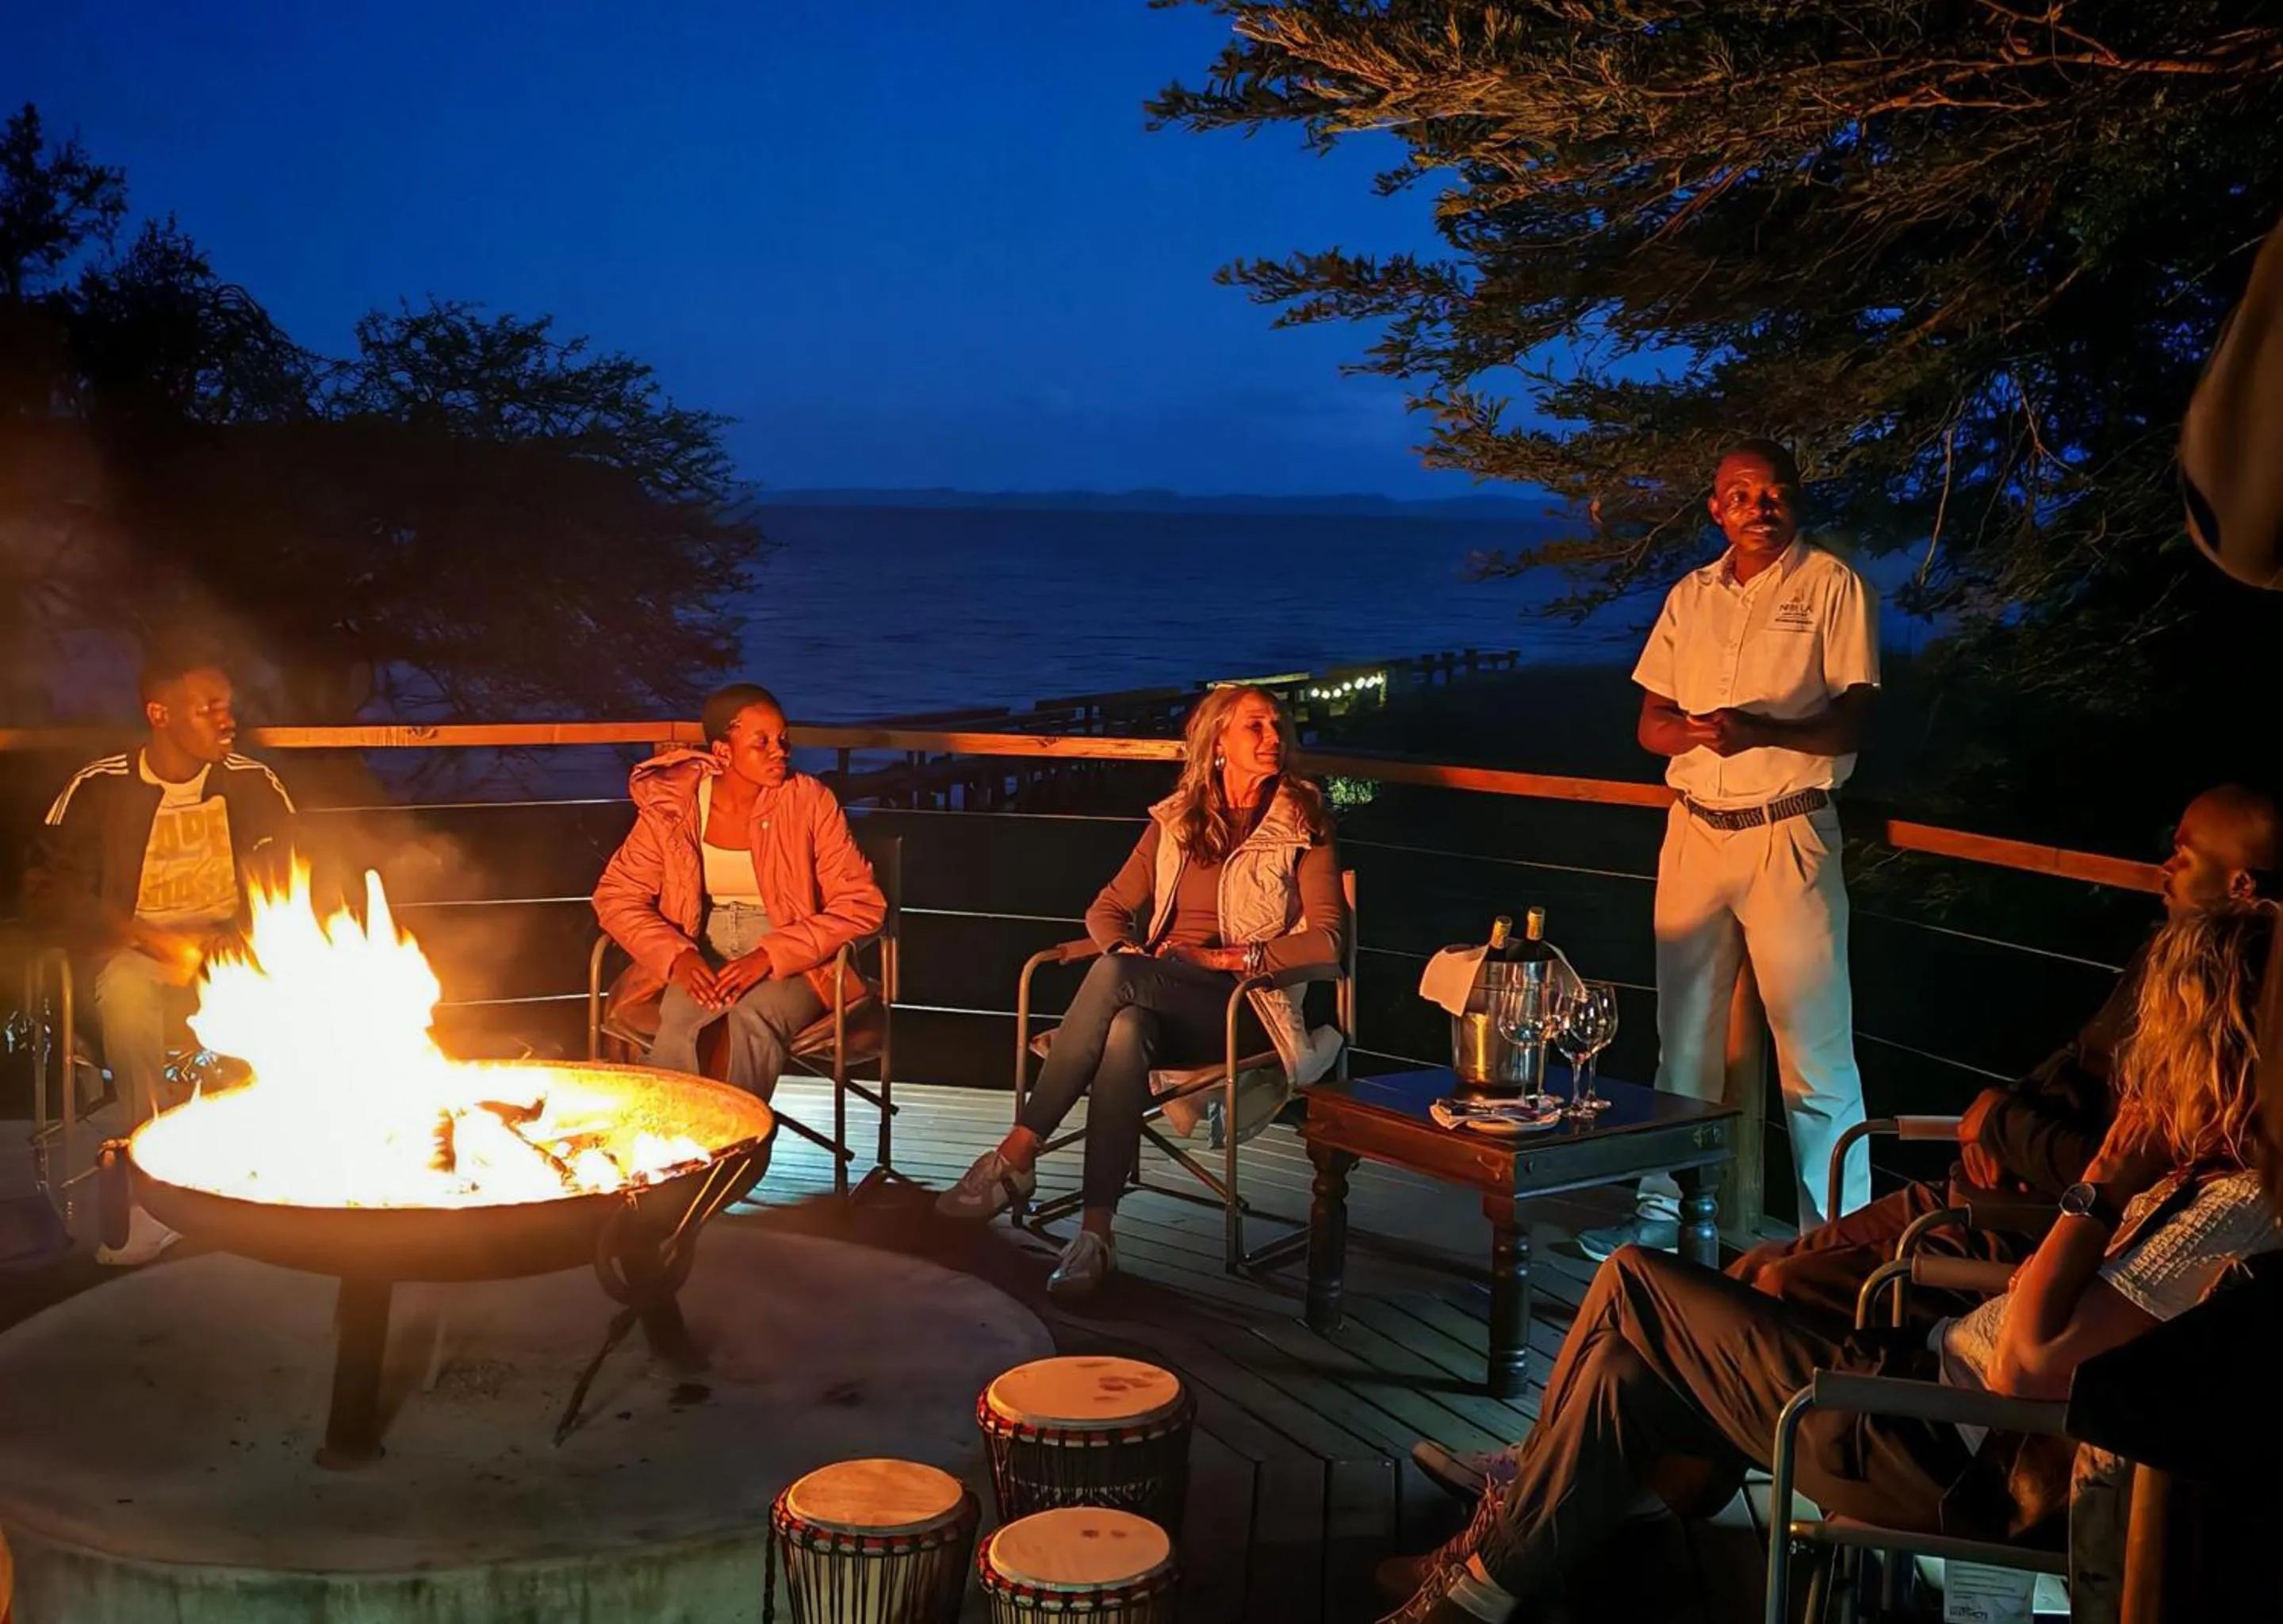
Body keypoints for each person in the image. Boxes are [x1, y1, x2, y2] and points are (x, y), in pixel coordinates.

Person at [1378, 901, 2281, 1624]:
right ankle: (1485, 1584)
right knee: (1626, 1360)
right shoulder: (2202, 1178)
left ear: (2208, 1048)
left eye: (2159, 1038)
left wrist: (2097, 1186)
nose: (2139, 1063)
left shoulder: (2230, 1212)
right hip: (1919, 1392)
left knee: (1632, 1277)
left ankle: (1514, 1538)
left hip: (1932, 1447)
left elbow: (2030, 1362)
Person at [1725, 783, 2280, 1324]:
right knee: (1749, 1272)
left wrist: (1999, 1122)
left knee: (1774, 1288)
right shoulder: (2162, 960)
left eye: (2182, 854)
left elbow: (2118, 1173)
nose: (2163, 867)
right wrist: (2001, 1115)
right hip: (1974, 1190)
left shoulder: (2222, 1025)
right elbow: (2074, 1064)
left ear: (2239, 884)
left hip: (2022, 1227)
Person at [935, 685, 1347, 1299]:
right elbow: (1106, 909)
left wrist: (1224, 956)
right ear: (1217, 744)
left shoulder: (1302, 823)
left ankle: (1018, 1152)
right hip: (1156, 993)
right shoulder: (1177, 820)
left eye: (1277, 726)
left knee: (1116, 980)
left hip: (1243, 1006)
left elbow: (1328, 943)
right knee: (1124, 1024)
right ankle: (1095, 1236)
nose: (1273, 739)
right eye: (1255, 727)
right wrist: (1125, 953)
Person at [1581, 438, 1880, 1262]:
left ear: (1795, 500)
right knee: (1679, 1040)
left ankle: (1837, 1246)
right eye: (1739, 493)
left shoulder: (1832, 586)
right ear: (1715, 508)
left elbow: (1852, 721)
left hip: (1787, 830)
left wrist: (1758, 731)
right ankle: (1657, 1219)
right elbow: (1649, 724)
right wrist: (1689, 731)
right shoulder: (1690, 595)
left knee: (1814, 1052)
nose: (1758, 504)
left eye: (1773, 490)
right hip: (1693, 831)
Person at [24, 648, 296, 1266]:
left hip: (234, 948)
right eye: (208, 710)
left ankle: (281, 1171)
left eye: (228, 708)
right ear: (160, 714)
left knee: (310, 987)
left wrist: (242, 940)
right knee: (125, 992)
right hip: (137, 950)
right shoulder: (100, 788)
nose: (227, 722)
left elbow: (297, 877)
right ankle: (151, 1195)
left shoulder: (252, 783)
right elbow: (48, 895)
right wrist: (143, 936)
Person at [592, 684, 885, 1101]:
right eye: (761, 742)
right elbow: (617, 895)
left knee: (750, 1017)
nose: (779, 751)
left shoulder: (808, 801)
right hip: (699, 944)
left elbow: (861, 903)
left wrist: (770, 956)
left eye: (783, 739)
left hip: (793, 954)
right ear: (723, 751)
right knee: (680, 1017)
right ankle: (672, 1146)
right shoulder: (676, 807)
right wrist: (677, 956)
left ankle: (739, 1147)